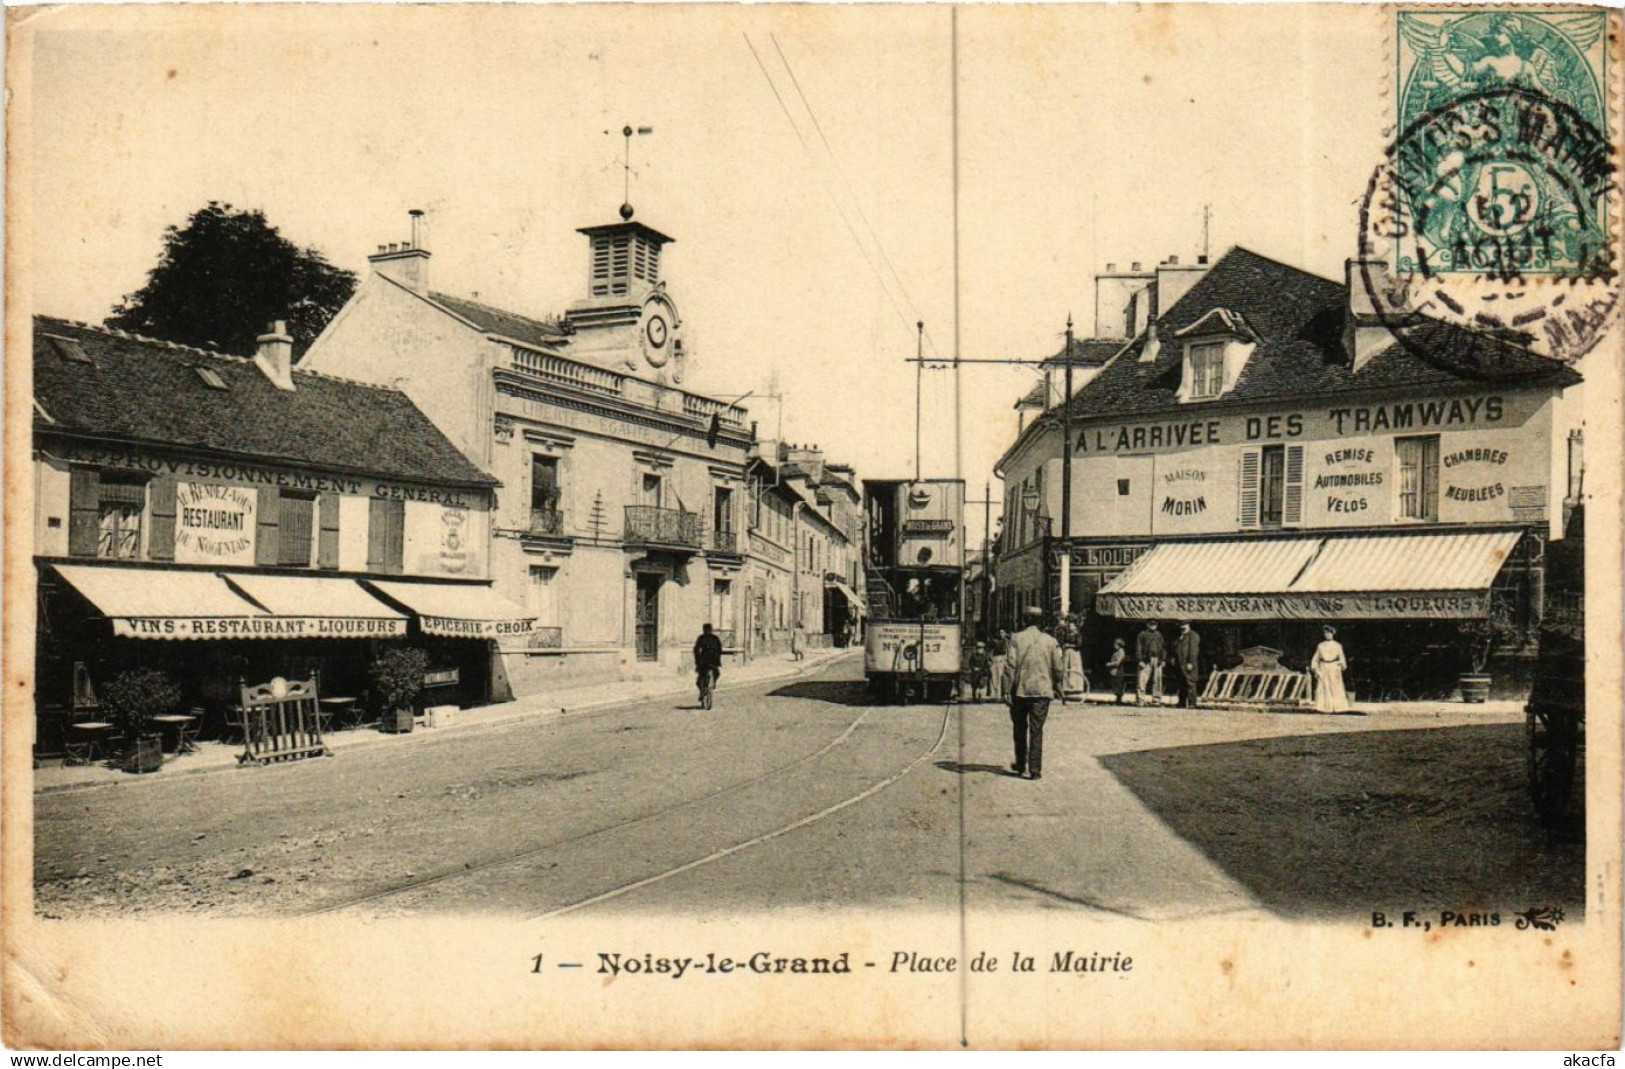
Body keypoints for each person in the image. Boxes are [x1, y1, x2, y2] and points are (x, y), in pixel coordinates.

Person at [1002, 606, 1068, 780]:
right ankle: (1035, 770)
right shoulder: (1050, 641)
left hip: (1020, 691)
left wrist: (1006, 689)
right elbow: (1058, 667)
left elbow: (1010, 665)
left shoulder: (1016, 639)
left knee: (1019, 728)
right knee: (1036, 731)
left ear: (1024, 620)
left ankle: (1020, 764)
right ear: (1041, 622)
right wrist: (1058, 686)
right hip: (1042, 690)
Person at [1313, 625, 1351, 713]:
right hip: (1324, 667)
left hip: (1334, 667)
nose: (1327, 635)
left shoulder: (1337, 645)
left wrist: (1342, 666)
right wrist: (1316, 669)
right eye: (1325, 633)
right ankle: (1325, 708)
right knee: (1324, 687)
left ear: (1333, 634)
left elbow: (1341, 657)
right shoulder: (1320, 646)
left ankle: (1338, 708)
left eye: (1329, 633)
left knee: (1336, 687)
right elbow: (1316, 658)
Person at [1135, 619, 1165, 706]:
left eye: (1155, 624)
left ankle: (1156, 700)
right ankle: (1140, 700)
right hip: (1146, 660)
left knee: (1157, 680)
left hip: (1157, 659)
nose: (1153, 625)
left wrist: (1163, 659)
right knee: (1142, 680)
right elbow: (1138, 648)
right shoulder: (1142, 634)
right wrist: (1140, 660)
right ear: (1147, 624)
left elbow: (1163, 648)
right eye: (1151, 624)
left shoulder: (1159, 635)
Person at [692, 624, 723, 707]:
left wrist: (697, 661)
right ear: (711, 630)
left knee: (699, 680)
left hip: (703, 662)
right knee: (717, 674)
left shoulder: (701, 638)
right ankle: (712, 685)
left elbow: (696, 650)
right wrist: (717, 659)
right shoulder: (715, 638)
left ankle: (702, 692)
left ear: (704, 630)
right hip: (713, 663)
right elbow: (720, 650)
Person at [1174, 621, 1202, 708]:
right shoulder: (1180, 636)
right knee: (1181, 683)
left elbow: (1193, 650)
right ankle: (1181, 703)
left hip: (1188, 663)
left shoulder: (1193, 635)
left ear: (1188, 625)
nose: (1182, 626)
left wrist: (1190, 662)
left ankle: (1192, 703)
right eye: (1181, 625)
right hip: (1180, 663)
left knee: (1190, 683)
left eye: (1184, 624)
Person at [1107, 638, 1129, 704]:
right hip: (1116, 670)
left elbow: (1117, 662)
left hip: (1118, 670)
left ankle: (1119, 700)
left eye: (1115, 644)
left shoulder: (1121, 652)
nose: (1114, 645)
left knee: (1118, 684)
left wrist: (1109, 664)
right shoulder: (1118, 651)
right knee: (1116, 684)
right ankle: (1118, 700)